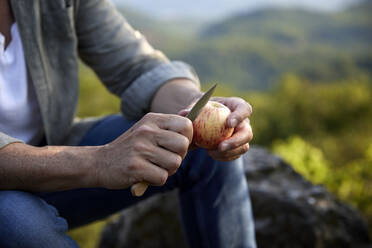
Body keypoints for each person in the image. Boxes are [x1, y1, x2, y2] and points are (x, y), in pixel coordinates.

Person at [0, 0, 256, 247]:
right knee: (20, 225)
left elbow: (135, 63)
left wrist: (195, 106)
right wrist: (100, 161)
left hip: (51, 145)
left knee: (199, 152)